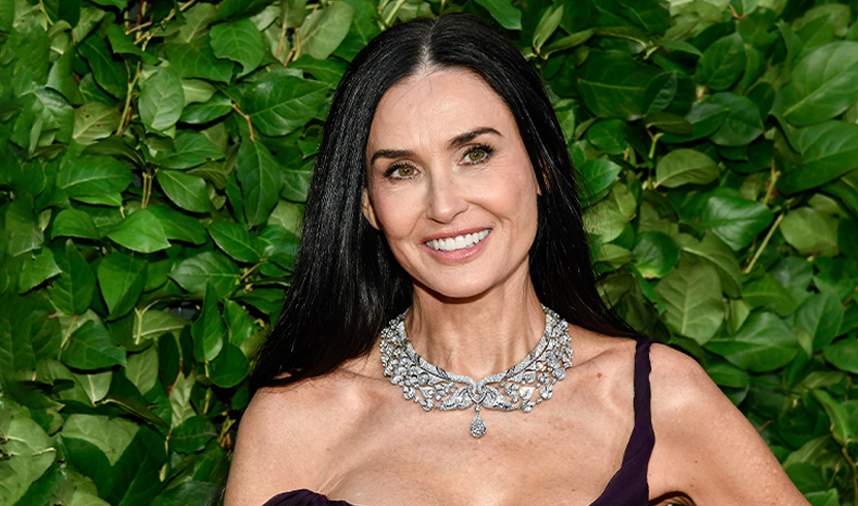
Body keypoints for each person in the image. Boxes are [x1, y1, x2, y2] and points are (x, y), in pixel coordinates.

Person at [224, 12, 808, 506]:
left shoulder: (657, 397)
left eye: (475, 154)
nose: (444, 206)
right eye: (401, 170)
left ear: (541, 168)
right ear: (369, 206)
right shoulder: (294, 421)